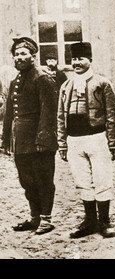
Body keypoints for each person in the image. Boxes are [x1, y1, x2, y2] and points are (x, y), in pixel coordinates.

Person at [57, 42, 115, 238]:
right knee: (82, 181)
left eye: (81, 59)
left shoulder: (102, 83)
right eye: (74, 59)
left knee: (102, 179)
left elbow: (112, 113)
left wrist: (112, 141)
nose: (77, 63)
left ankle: (105, 221)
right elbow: (60, 115)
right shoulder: (66, 86)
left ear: (90, 60)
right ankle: (90, 221)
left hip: (97, 138)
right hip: (75, 140)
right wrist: (62, 142)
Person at [0, 37, 58, 235]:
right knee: (26, 180)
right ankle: (34, 217)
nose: (19, 58)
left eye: (23, 54)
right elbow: (9, 113)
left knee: (43, 179)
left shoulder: (42, 77)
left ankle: (46, 219)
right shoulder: (15, 80)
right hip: (21, 141)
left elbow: (49, 112)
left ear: (33, 56)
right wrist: (5, 139)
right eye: (16, 54)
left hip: (39, 141)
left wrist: (43, 139)